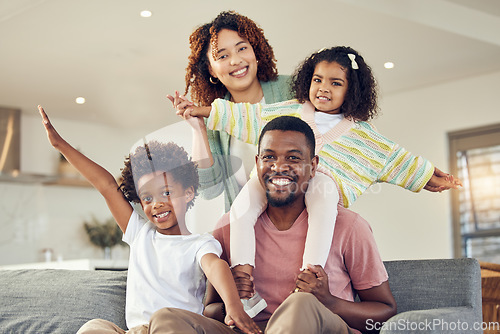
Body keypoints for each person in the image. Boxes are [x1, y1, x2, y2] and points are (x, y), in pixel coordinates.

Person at [172, 45, 462, 315]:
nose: (323, 89)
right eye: (318, 80)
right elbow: (243, 116)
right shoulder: (287, 110)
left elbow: (398, 160)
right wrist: (199, 111)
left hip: (325, 180)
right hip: (273, 182)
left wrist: (430, 176)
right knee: (240, 209)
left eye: (336, 83)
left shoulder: (364, 136)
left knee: (323, 205)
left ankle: (309, 279)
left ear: (352, 91)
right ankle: (244, 273)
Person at [157, 116, 398, 333]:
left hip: (320, 326)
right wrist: (233, 300)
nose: (279, 167)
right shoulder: (228, 227)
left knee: (300, 304)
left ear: (313, 166)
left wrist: (330, 302)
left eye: (293, 158)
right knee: (166, 319)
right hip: (251, 329)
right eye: (269, 157)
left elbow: (384, 312)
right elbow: (210, 309)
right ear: (257, 163)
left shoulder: (349, 226)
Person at [37, 106, 261, 334]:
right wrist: (60, 145)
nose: (156, 204)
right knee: (94, 327)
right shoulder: (139, 233)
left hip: (174, 327)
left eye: (166, 193)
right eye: (147, 197)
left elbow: (216, 267)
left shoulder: (199, 244)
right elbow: (106, 186)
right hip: (134, 331)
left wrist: (234, 307)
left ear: (188, 193)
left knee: (163, 320)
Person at [167, 10, 293, 213]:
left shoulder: (293, 89)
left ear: (255, 51)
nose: (235, 60)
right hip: (249, 234)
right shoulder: (213, 119)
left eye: (242, 48)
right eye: (223, 55)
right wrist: (198, 129)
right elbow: (210, 190)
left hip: (304, 223)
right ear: (211, 69)